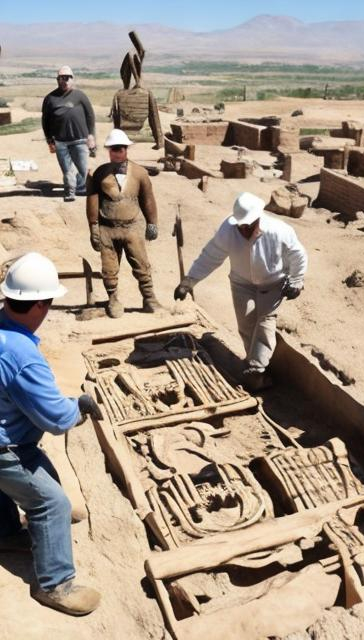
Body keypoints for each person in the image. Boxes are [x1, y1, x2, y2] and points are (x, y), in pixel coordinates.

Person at [0, 252, 101, 615]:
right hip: (5, 447)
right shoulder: (21, 354)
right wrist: (80, 407)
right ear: (41, 304)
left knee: (16, 484)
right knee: (50, 502)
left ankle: (7, 534)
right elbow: (55, 419)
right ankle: (55, 585)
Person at [174, 192, 308, 391]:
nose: (244, 230)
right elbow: (211, 256)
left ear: (257, 218)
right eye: (241, 226)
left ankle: (256, 369)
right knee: (246, 324)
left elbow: (298, 255)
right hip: (241, 283)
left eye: (248, 225)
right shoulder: (228, 230)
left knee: (265, 320)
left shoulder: (279, 230)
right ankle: (254, 363)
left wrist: (296, 280)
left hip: (272, 283)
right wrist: (189, 281)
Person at [86, 129, 160, 318]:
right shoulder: (100, 173)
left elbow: (148, 199)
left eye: (120, 148)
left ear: (126, 149)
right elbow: (92, 201)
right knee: (109, 268)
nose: (117, 152)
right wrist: (93, 226)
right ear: (109, 150)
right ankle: (113, 298)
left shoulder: (140, 173)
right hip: (107, 228)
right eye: (113, 149)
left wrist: (152, 223)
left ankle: (149, 298)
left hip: (132, 227)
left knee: (141, 264)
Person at [41, 66, 96, 202]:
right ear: (57, 80)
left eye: (67, 78)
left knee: (82, 168)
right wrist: (49, 140)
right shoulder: (50, 98)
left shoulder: (80, 96)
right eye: (61, 78)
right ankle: (70, 192)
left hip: (80, 140)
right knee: (67, 170)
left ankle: (81, 187)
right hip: (60, 141)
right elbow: (45, 120)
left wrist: (91, 135)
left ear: (72, 79)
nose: (64, 81)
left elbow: (90, 116)